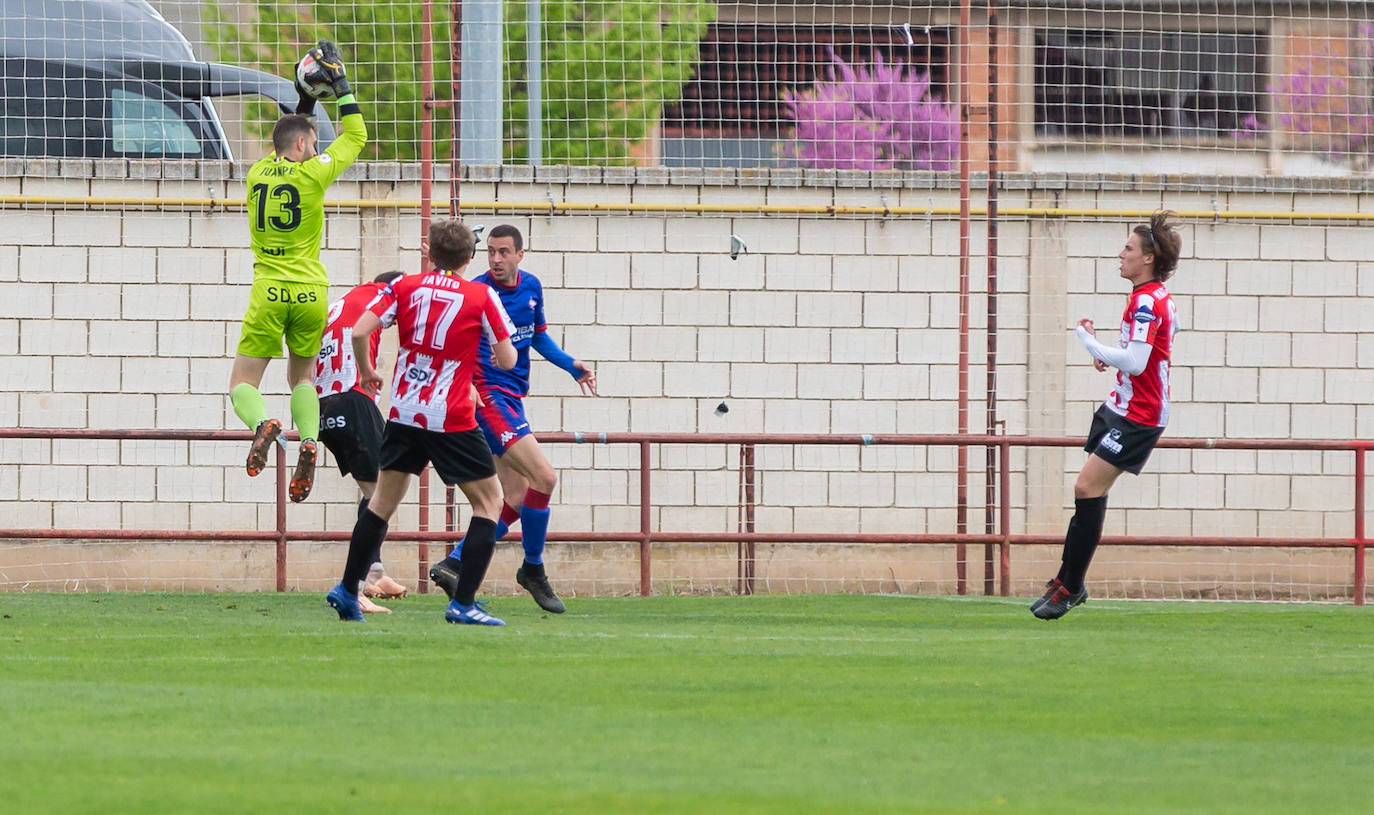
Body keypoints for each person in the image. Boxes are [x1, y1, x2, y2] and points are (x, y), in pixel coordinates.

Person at [326, 219, 518, 625]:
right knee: (489, 504)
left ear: (430, 254)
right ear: (470, 258)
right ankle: (463, 602)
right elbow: (508, 360)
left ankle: (347, 590)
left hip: (404, 412)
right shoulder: (481, 295)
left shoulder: (404, 286)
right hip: (449, 416)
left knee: (380, 503)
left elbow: (360, 331)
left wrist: (366, 371)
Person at [427, 224, 597, 615]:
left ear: (521, 254)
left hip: (513, 398)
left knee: (518, 498)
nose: (497, 259)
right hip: (488, 397)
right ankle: (533, 569)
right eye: (490, 252)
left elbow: (536, 337)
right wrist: (464, 382)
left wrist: (572, 366)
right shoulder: (479, 292)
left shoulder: (532, 287)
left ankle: (454, 563)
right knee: (546, 477)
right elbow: (454, 339)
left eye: (504, 252)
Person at [229, 40, 366, 505]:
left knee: (243, 384)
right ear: (306, 145)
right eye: (312, 141)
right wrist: (339, 85)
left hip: (269, 289)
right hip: (311, 292)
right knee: (302, 380)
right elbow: (356, 136)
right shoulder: (314, 175)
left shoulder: (257, 173)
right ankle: (309, 438)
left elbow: (289, 135)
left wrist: (304, 95)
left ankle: (263, 424)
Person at [1032, 211, 1181, 620]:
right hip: (1120, 407)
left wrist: (1090, 344)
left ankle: (1071, 586)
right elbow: (1156, 349)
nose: (1121, 254)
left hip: (1140, 415)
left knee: (1086, 487)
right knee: (1088, 491)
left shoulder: (1149, 300)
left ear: (1148, 258)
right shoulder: (1150, 297)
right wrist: (1112, 361)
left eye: (1129, 248)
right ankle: (1066, 580)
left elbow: (1137, 360)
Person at [313, 271, 410, 613]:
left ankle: (375, 571)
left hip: (322, 404)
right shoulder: (382, 298)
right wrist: (368, 370)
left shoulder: (346, 301)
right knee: (383, 494)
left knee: (376, 492)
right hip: (352, 399)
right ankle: (353, 588)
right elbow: (358, 335)